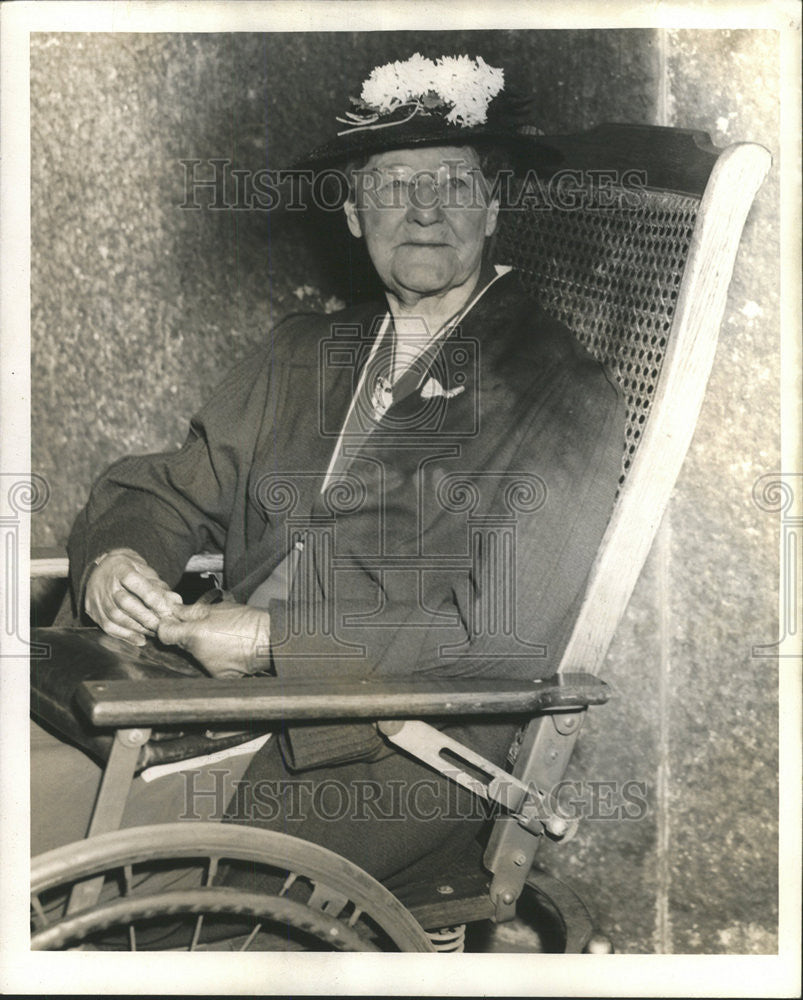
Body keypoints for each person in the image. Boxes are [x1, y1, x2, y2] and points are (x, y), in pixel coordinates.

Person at [38, 54, 625, 909]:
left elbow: (495, 641)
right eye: (392, 185)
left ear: (492, 206)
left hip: (380, 749)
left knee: (71, 882)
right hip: (194, 703)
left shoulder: (559, 394)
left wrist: (271, 642)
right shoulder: (305, 351)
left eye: (451, 183)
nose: (423, 210)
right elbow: (161, 490)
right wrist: (115, 561)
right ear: (353, 214)